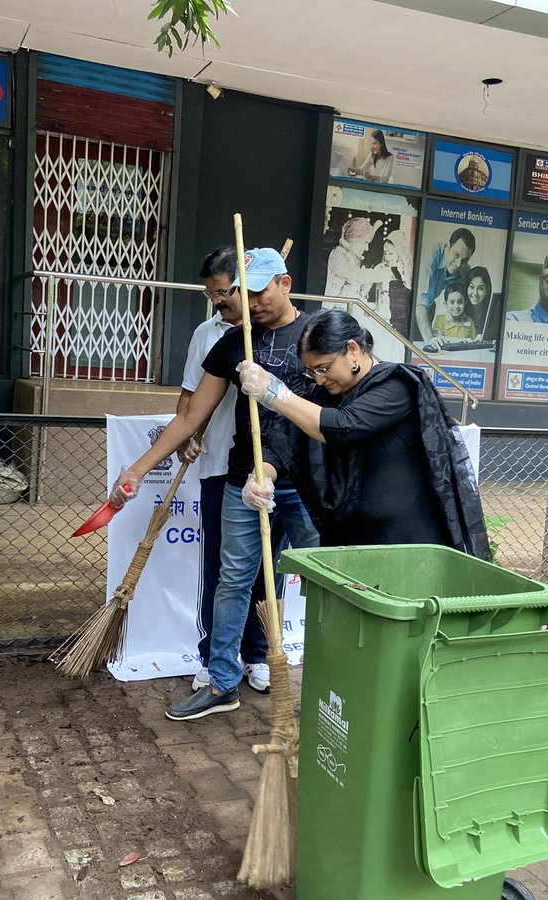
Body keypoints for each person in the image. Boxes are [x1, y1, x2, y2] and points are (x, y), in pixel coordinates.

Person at [109, 248, 319, 721]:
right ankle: (223, 681)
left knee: (326, 576)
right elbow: (189, 418)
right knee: (233, 581)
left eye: (259, 289)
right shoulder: (233, 342)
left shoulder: (320, 333)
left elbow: (342, 414)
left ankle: (335, 673)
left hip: (307, 482)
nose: (251, 300)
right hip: (245, 480)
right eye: (243, 290)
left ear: (285, 284)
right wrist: (138, 469)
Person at [236, 309, 489, 554]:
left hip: (406, 542)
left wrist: (276, 395)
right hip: (348, 540)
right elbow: (283, 441)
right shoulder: (323, 395)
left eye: (324, 368)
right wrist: (261, 476)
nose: (320, 379)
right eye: (312, 372)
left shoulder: (396, 385)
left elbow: (344, 425)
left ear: (353, 350)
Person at [178, 247, 284, 694]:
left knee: (266, 566)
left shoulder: (271, 335)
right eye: (213, 294)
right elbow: (189, 399)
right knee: (223, 570)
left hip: (268, 469)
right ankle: (213, 657)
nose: (219, 301)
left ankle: (257, 653)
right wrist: (187, 434)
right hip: (219, 463)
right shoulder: (208, 334)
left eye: (224, 292)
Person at [417, 228, 476, 342]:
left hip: (429, 306)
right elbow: (420, 301)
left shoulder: (465, 270)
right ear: (448, 246)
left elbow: (463, 303)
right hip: (410, 303)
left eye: (464, 260)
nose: (459, 264)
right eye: (456, 255)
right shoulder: (430, 255)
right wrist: (430, 341)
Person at [324, 217, 390, 301]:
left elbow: (356, 285)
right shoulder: (338, 254)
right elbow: (356, 275)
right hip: (331, 310)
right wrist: (384, 273)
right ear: (355, 240)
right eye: (365, 242)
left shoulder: (352, 257)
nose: (366, 248)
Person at [367, 229, 412, 336]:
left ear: (399, 251)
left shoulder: (406, 270)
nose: (387, 257)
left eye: (390, 253)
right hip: (382, 316)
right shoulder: (380, 268)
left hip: (400, 320)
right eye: (385, 253)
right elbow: (366, 287)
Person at [464, 266, 497, 340]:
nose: (475, 293)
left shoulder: (492, 313)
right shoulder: (459, 309)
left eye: (480, 288)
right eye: (472, 287)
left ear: (487, 290)